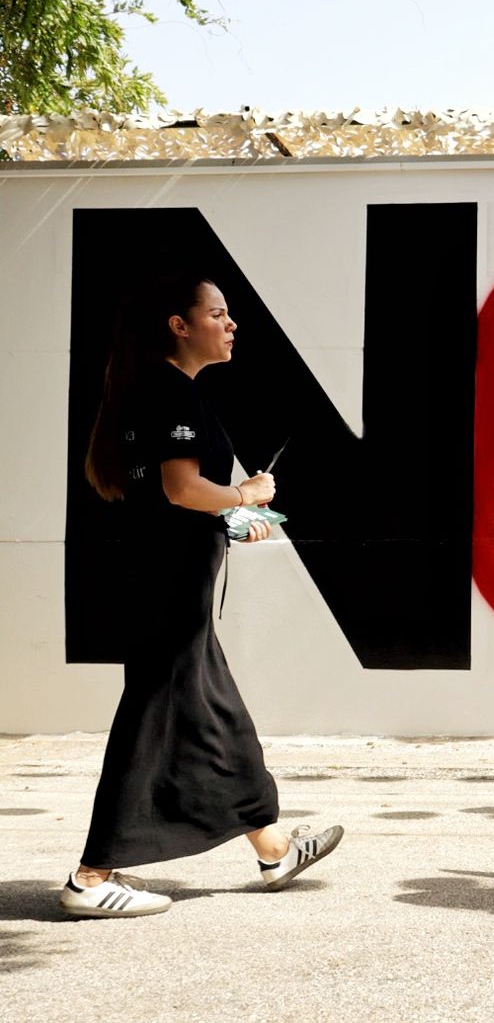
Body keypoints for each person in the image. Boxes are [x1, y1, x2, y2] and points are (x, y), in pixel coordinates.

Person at [65, 274, 343, 918]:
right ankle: (90, 877)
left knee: (213, 714)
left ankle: (273, 848)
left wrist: (229, 518)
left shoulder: (151, 390)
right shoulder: (172, 394)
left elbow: (174, 499)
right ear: (179, 325)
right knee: (155, 716)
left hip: (165, 576)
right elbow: (182, 489)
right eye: (217, 313)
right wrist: (246, 496)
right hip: (168, 583)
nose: (232, 323)